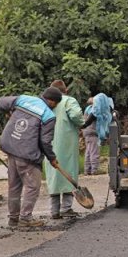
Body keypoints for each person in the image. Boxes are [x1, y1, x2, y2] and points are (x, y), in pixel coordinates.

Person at [0, 86, 62, 228]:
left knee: (14, 186)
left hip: (10, 146)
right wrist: (52, 158)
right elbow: (45, 141)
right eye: (56, 104)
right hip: (26, 152)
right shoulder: (48, 115)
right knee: (33, 186)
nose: (55, 107)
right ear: (51, 101)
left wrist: (11, 110)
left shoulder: (24, 99)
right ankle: (25, 218)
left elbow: (0, 102)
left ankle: (13, 219)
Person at [43, 80, 84, 219]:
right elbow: (76, 116)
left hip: (47, 144)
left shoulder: (45, 104)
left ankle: (54, 211)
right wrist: (82, 124)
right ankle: (66, 208)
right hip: (66, 144)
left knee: (53, 176)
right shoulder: (69, 100)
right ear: (65, 91)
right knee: (69, 173)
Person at [82, 96, 100, 175]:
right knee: (94, 151)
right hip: (92, 132)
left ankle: (87, 170)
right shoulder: (94, 110)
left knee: (88, 152)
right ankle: (94, 170)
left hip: (86, 132)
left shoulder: (87, 108)